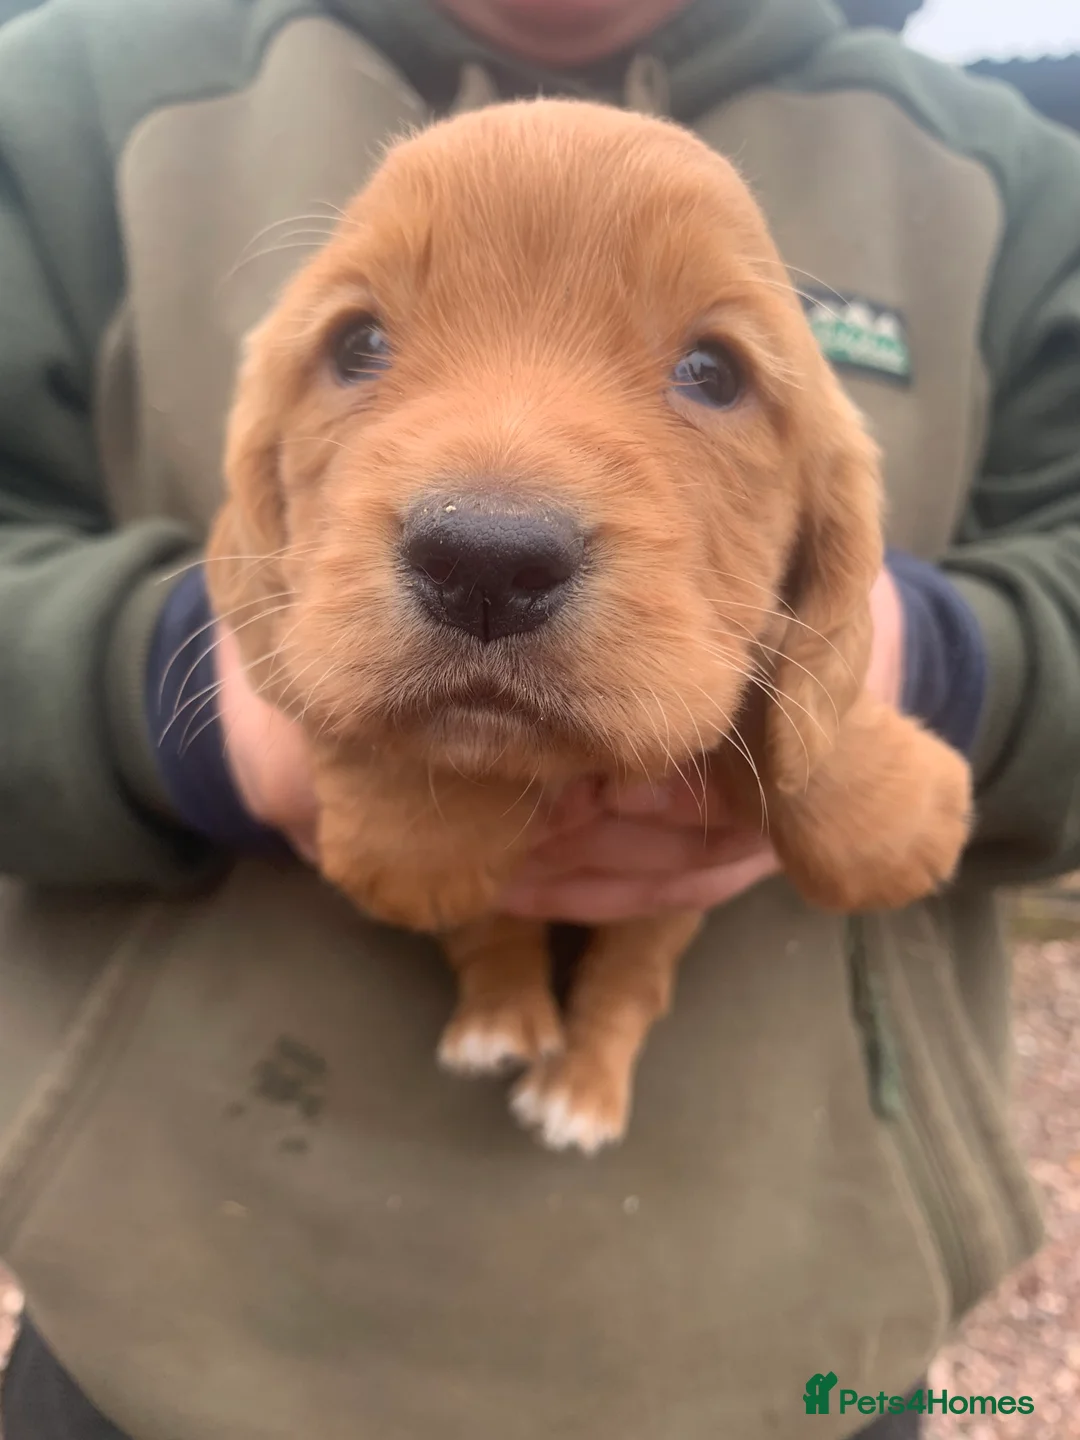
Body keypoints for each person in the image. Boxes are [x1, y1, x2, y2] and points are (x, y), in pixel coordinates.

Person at [0, 0, 1077, 1436]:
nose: (498, 515)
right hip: (163, 1335)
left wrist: (908, 660)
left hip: (805, 1351)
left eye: (710, 372)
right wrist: (179, 704)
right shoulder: (60, 99)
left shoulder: (1010, 174)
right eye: (362, 347)